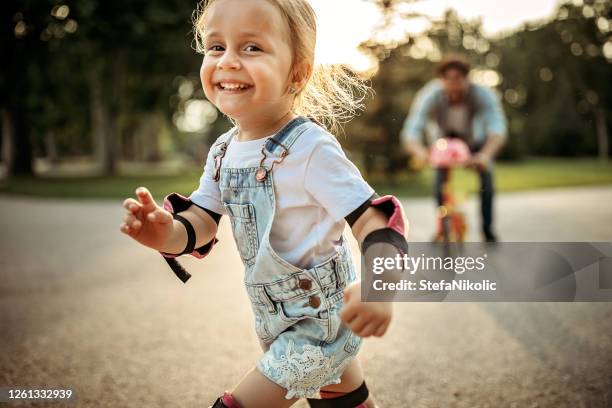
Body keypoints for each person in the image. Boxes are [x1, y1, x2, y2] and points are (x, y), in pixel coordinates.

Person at [119, 0, 408, 407]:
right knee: (343, 399)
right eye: (216, 47)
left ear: (298, 72)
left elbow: (375, 221)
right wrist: (164, 232)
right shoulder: (222, 152)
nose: (228, 61)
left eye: (251, 48)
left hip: (319, 323)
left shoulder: (311, 149)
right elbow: (202, 219)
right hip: (277, 319)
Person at [401, 55, 507, 242]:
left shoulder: (482, 94)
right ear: (441, 80)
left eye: (458, 79)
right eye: (448, 80)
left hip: (474, 143)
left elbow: (497, 129)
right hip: (444, 144)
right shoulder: (431, 94)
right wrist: (422, 154)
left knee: (487, 178)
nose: (453, 86)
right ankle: (443, 226)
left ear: (468, 78)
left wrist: (484, 156)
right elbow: (411, 131)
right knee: (440, 183)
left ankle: (487, 229)